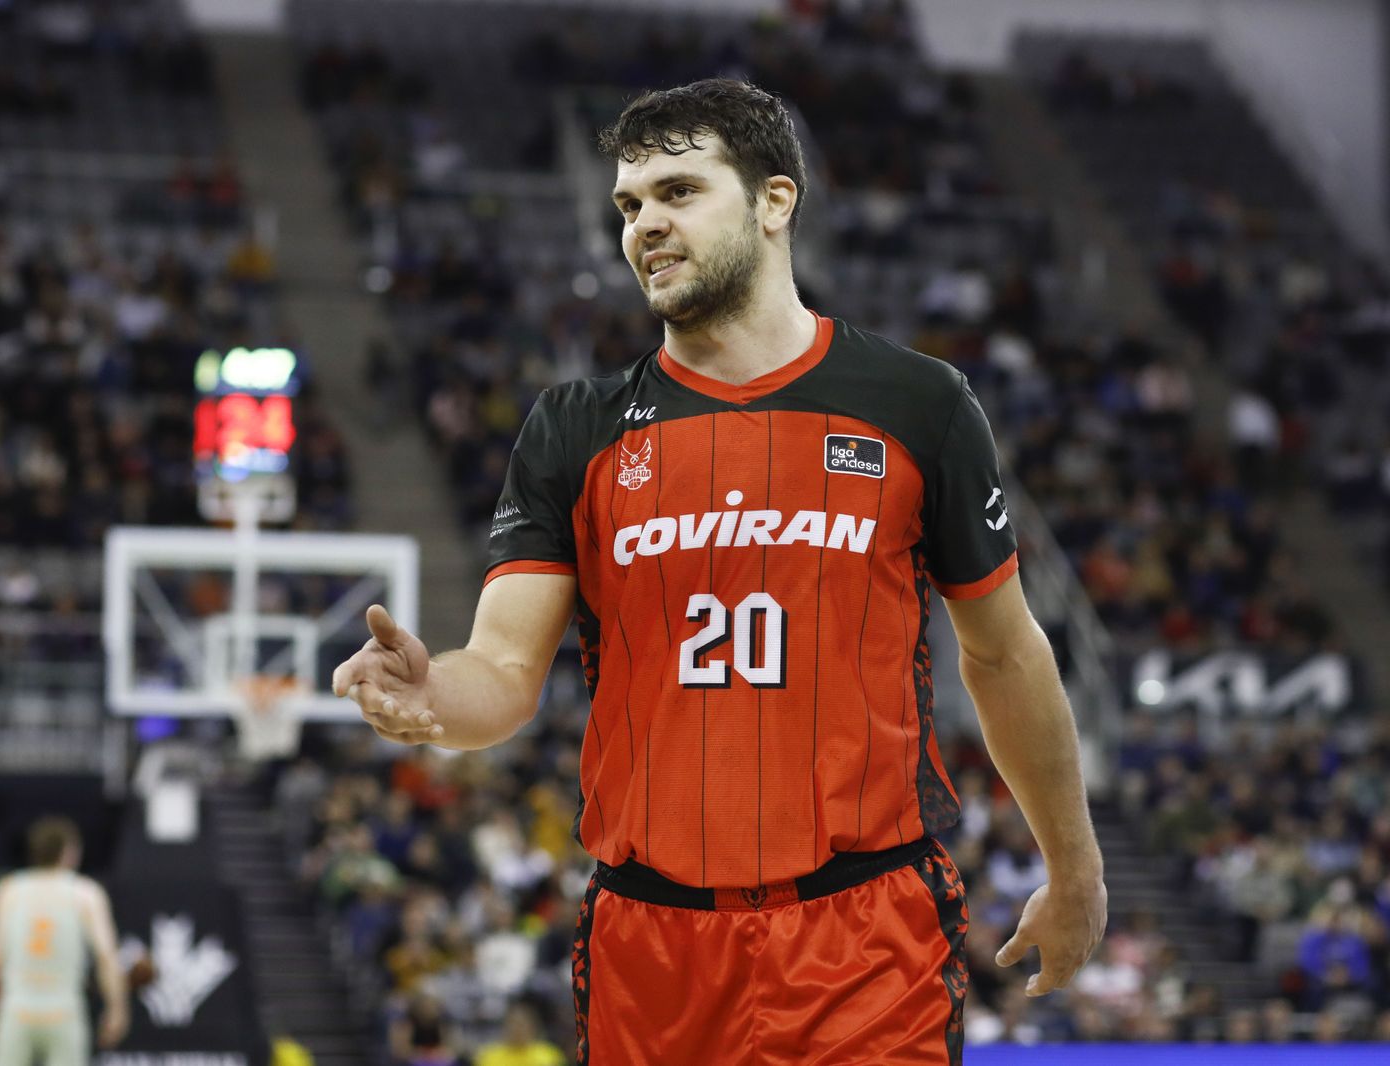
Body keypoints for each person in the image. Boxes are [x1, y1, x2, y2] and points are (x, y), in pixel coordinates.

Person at [333, 78, 1107, 1065]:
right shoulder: (574, 428)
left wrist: (1072, 864)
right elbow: (503, 673)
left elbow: (1003, 657)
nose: (645, 224)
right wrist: (430, 695)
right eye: (629, 204)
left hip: (861, 933)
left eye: (678, 191)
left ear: (773, 201)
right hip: (648, 941)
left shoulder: (916, 403)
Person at [0, 816, 129, 1066]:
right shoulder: (85, 893)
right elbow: (107, 955)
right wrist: (117, 1008)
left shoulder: (10, 890)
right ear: (69, 852)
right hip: (63, 1012)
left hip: (18, 1011)